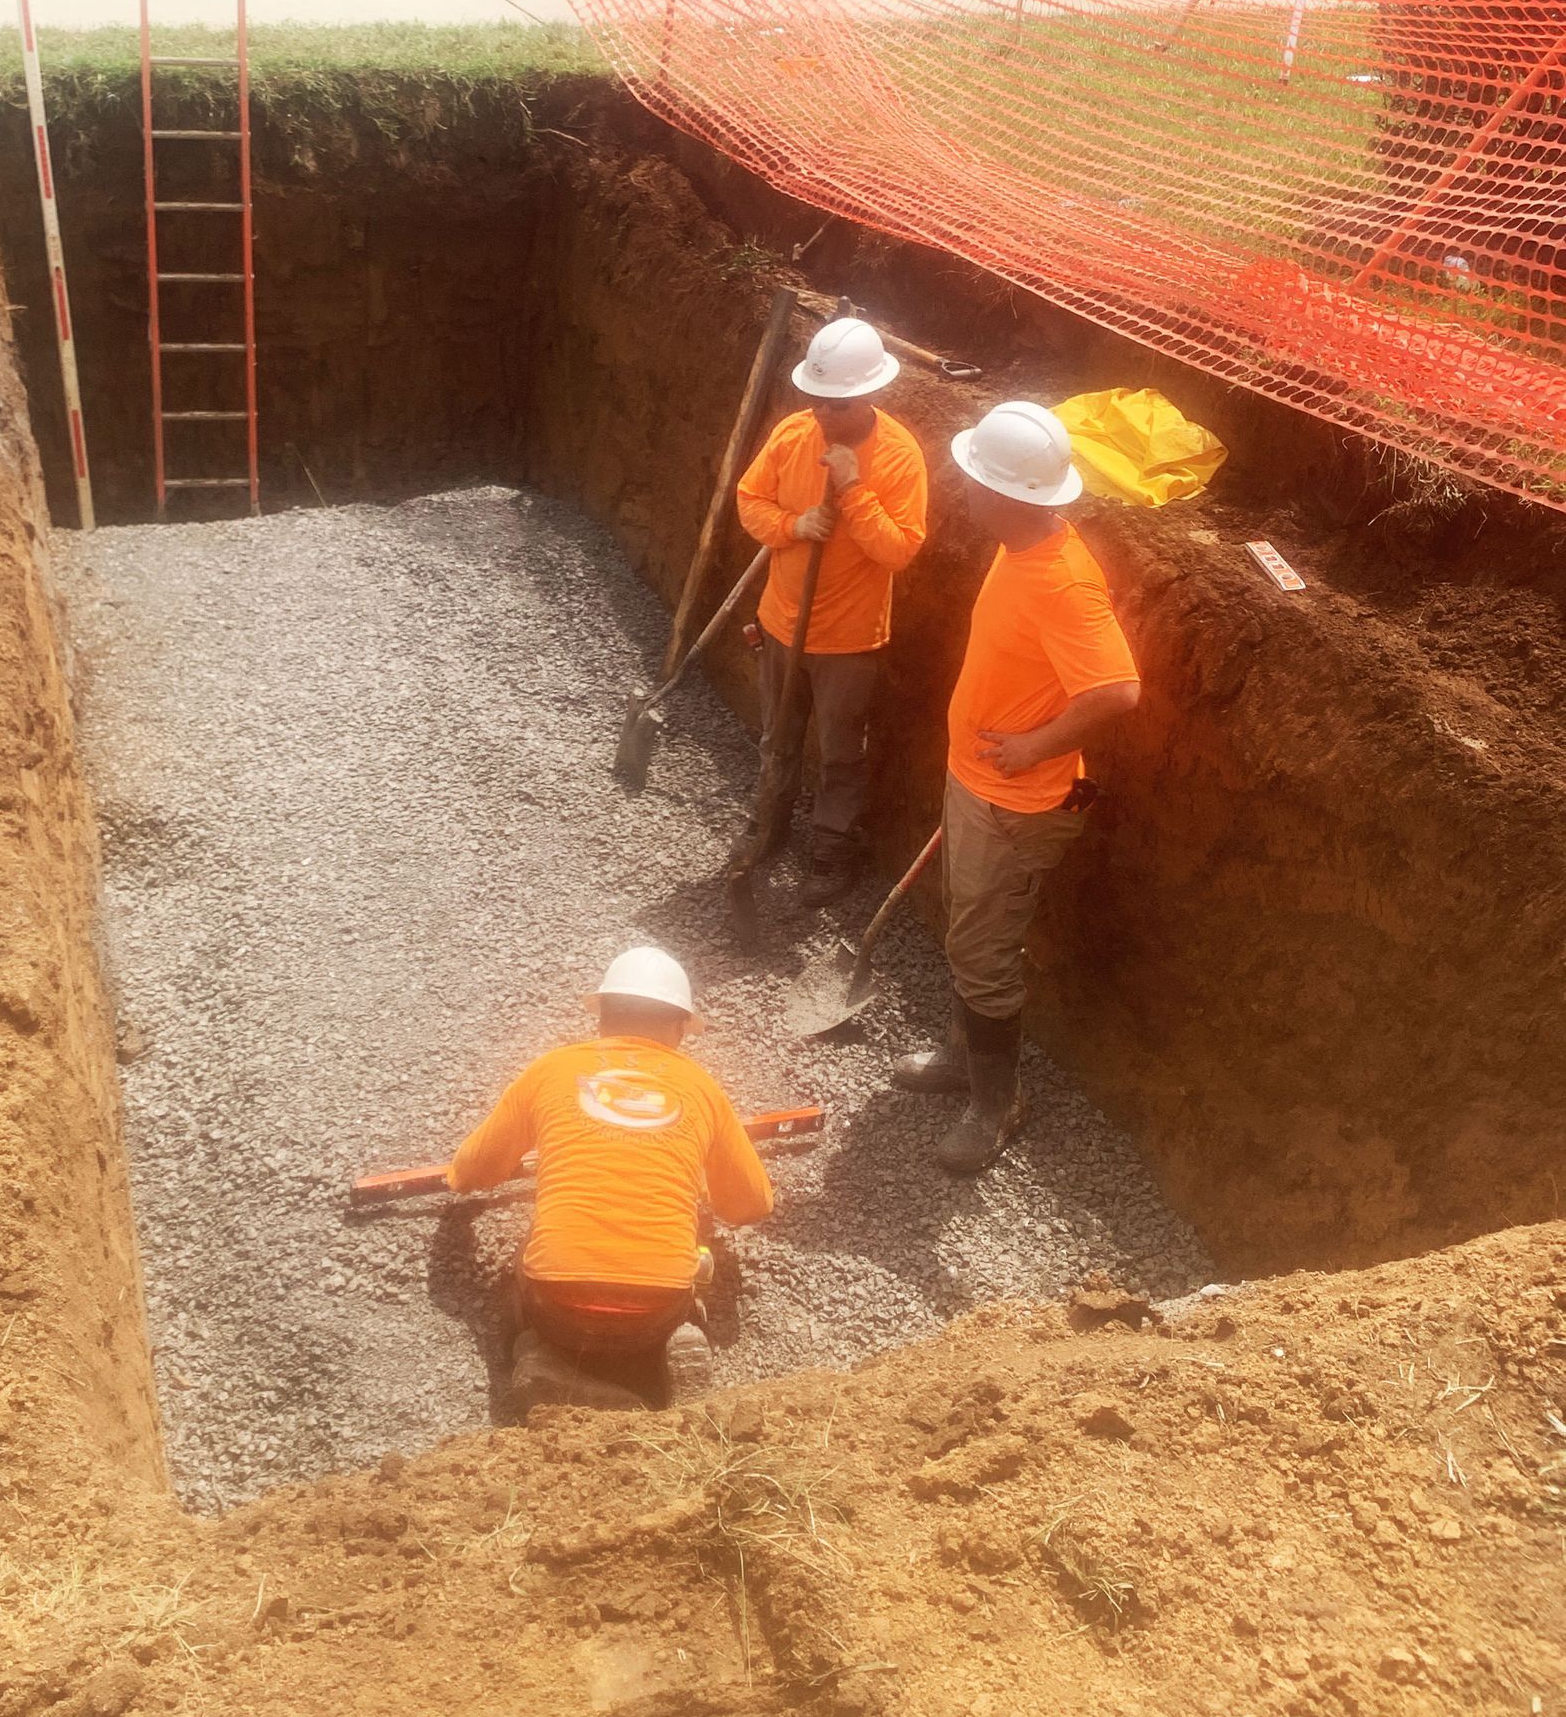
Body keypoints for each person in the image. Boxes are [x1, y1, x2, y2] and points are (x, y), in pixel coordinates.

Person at [894, 401, 1140, 1175]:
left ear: (1010, 494)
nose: (963, 489)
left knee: (983, 947)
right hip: (977, 785)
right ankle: (967, 1058)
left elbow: (1118, 690)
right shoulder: (1020, 545)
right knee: (969, 928)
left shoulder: (1064, 585)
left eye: (975, 480)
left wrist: (1033, 745)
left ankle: (997, 1104)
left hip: (1016, 806)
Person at [447, 946, 772, 1412]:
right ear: (681, 1028)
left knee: (528, 1253)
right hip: (656, 1313)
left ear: (601, 1018)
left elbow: (470, 1171)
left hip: (560, 1308)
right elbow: (751, 1205)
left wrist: (459, 1177)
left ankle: (541, 1356)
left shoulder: (551, 1070)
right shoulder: (702, 1089)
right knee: (695, 1257)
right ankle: (676, 1337)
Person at [736, 316, 929, 908]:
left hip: (849, 641)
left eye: (838, 406)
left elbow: (899, 550)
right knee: (779, 735)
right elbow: (749, 500)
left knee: (842, 751)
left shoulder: (898, 457)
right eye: (817, 402)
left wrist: (851, 491)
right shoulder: (794, 434)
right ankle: (769, 824)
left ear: (870, 394)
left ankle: (831, 846)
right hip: (780, 623)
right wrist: (794, 526)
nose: (824, 416)